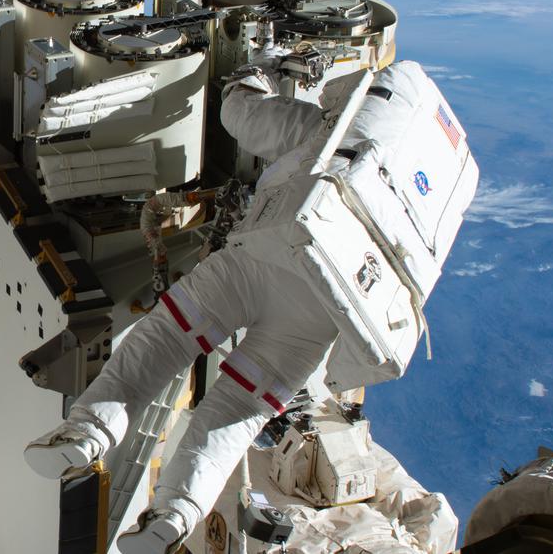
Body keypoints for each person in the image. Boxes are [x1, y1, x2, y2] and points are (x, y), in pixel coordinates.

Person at [23, 63, 359, 553]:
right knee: (238, 413)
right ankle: (176, 512)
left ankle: (87, 432)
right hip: (324, 315)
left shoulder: (340, 125)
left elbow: (244, 116)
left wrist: (249, 78)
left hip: (262, 262)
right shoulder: (431, 195)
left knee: (164, 342)